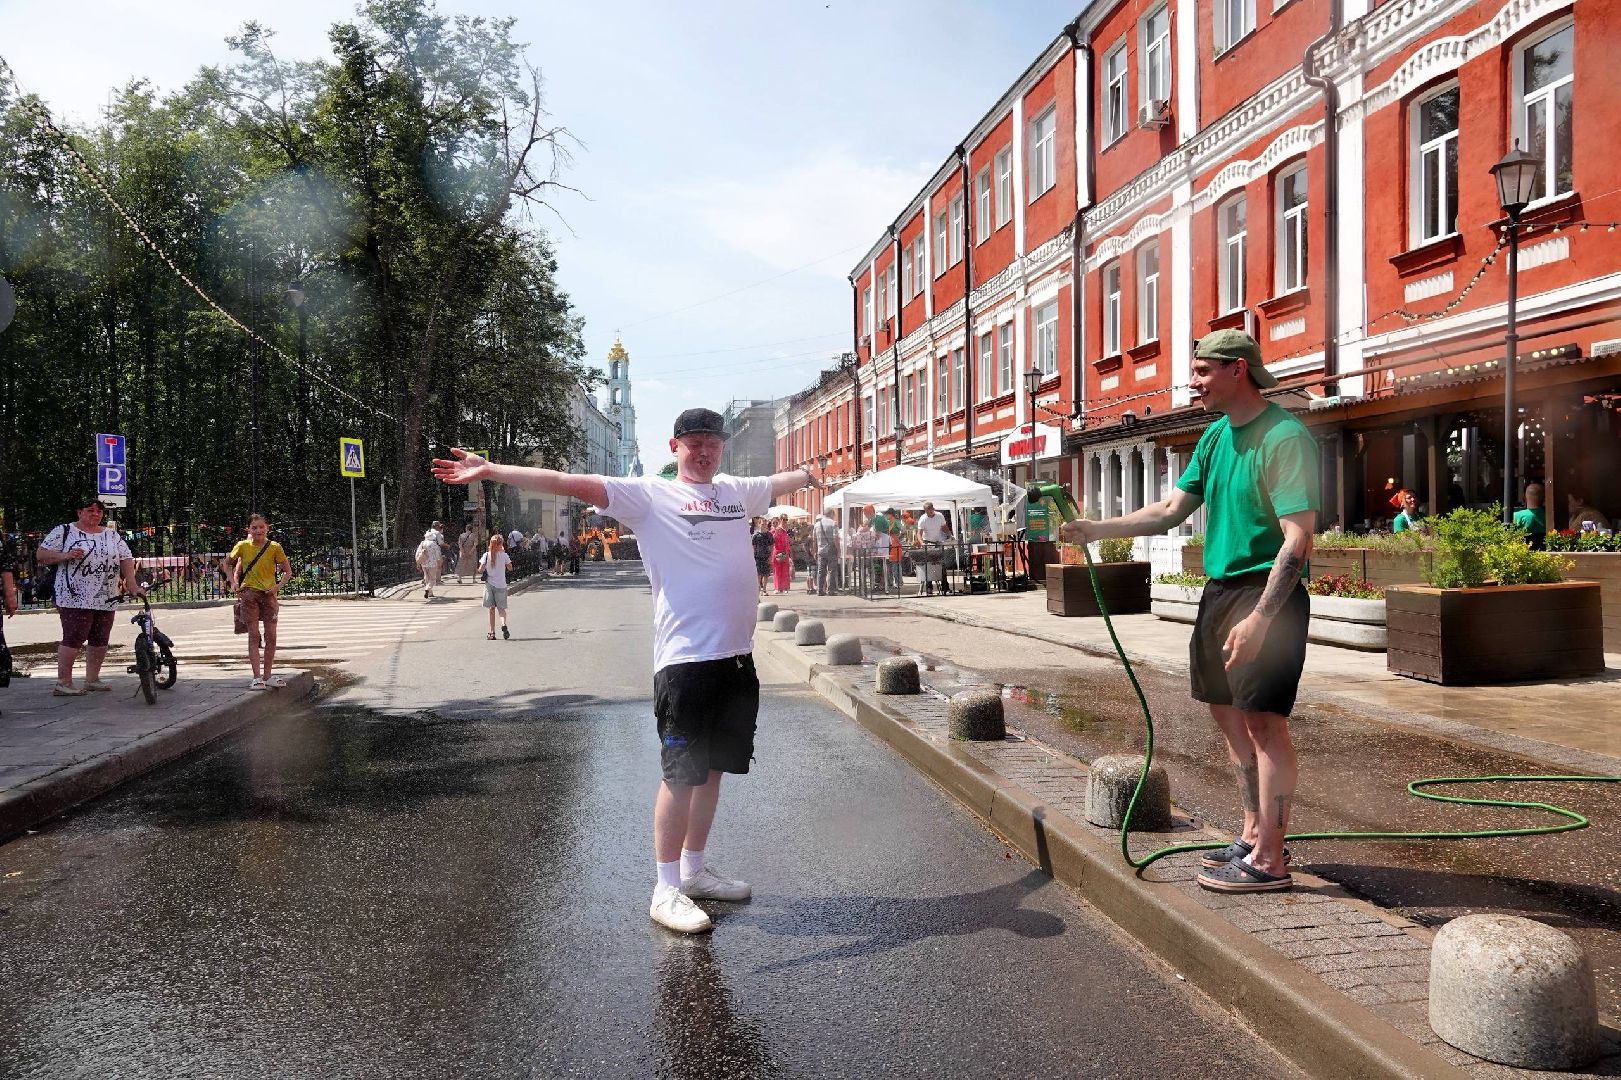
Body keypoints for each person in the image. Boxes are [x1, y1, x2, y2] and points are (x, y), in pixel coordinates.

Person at [431, 406, 817, 934]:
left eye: (713, 442)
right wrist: (493, 469)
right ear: (674, 446)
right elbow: (567, 481)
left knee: (712, 773)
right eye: (694, 442)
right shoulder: (649, 495)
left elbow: (781, 479)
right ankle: (665, 888)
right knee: (681, 776)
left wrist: (813, 472)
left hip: (736, 660)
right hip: (686, 664)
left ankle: (695, 870)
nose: (704, 451)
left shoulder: (734, 491)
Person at [1061, 329, 1317, 894]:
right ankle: (1252, 833)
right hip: (1220, 592)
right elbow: (1172, 509)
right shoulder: (1214, 437)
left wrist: (1262, 619)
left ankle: (1272, 860)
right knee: (1227, 714)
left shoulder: (1285, 437)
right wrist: (1096, 530)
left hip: (1264, 594)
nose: (1193, 382)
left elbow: (1298, 540)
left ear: (1238, 370)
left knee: (1264, 724)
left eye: (1202, 371)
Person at [34, 497, 144, 696]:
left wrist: (131, 583)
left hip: (106, 595)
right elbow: (41, 555)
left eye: (99, 511)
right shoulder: (64, 531)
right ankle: (63, 682)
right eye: (90, 510)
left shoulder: (111, 535)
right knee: (75, 635)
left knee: (100, 637)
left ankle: (93, 679)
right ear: (79, 512)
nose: (95, 514)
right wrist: (65, 555)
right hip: (74, 595)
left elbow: (126, 557)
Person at [227, 513, 294, 690]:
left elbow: (287, 571)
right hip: (249, 594)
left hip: (269, 595)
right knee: (254, 635)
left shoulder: (274, 547)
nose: (258, 530)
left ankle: (268, 675)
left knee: (271, 636)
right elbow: (228, 563)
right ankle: (257, 677)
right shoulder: (242, 546)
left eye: (261, 527)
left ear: (267, 528)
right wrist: (234, 583)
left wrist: (276, 587)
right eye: (254, 527)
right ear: (248, 529)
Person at [480, 534, 512, 640]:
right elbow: (510, 568)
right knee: (501, 609)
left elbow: (480, 569)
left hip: (490, 584)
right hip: (501, 585)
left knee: (491, 609)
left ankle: (492, 633)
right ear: (501, 544)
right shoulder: (504, 555)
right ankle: (503, 625)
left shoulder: (486, 555)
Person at [812, 507, 840, 596]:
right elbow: (836, 538)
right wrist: (838, 550)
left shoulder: (817, 525)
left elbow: (814, 540)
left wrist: (815, 551)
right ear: (831, 513)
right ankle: (830, 590)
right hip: (831, 549)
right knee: (831, 571)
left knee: (821, 570)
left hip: (820, 550)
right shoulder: (833, 524)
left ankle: (819, 590)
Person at [1513, 482, 1546, 548]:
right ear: (1544, 497)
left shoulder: (1516, 516)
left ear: (1524, 496)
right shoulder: (1549, 516)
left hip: (1523, 554)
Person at [415, 528, 444, 597]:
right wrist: (439, 562)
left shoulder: (422, 543)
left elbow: (418, 553)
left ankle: (430, 593)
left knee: (426, 577)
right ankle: (427, 588)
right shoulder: (434, 544)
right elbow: (438, 555)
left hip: (424, 563)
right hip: (432, 563)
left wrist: (418, 562)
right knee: (433, 579)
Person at [749, 517, 773, 595]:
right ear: (759, 524)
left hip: (766, 556)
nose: (764, 526)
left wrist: (770, 556)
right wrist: (753, 556)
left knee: (766, 574)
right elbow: (753, 546)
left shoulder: (769, 535)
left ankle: (765, 590)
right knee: (759, 574)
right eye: (763, 524)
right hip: (758, 556)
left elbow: (771, 545)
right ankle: (758, 588)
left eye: (765, 524)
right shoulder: (756, 535)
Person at [770, 516, 793, 594]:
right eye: (774, 523)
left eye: (776, 522)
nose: (775, 524)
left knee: (785, 570)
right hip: (776, 552)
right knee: (777, 571)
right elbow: (771, 542)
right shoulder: (772, 531)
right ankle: (777, 587)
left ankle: (785, 587)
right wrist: (775, 533)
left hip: (784, 552)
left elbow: (787, 542)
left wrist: (789, 553)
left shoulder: (784, 531)